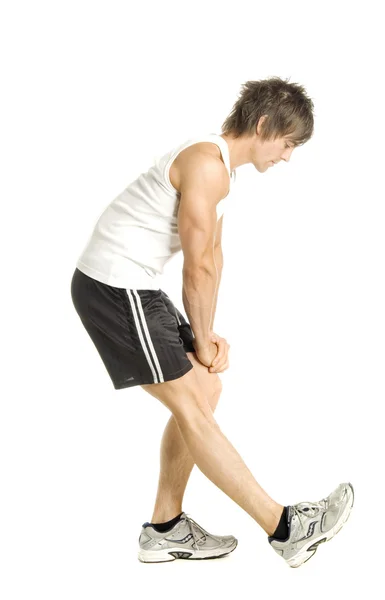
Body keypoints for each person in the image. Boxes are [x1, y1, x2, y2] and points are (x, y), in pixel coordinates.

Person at [70, 76, 354, 568]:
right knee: (194, 406)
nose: (287, 157)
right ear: (263, 125)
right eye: (287, 143)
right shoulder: (204, 164)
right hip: (112, 287)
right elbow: (196, 265)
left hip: (138, 286)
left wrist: (209, 337)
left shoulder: (223, 171)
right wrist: (200, 338)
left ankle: (164, 527)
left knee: (206, 392)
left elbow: (214, 256)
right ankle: (285, 528)